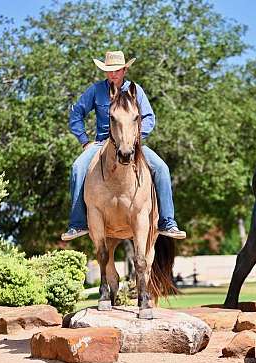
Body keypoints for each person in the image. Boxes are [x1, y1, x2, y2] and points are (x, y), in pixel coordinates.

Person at [61, 50, 186, 241]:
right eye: (109, 70)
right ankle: (78, 223)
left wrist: (135, 138)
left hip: (133, 144)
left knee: (161, 168)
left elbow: (149, 118)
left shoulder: (136, 91)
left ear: (124, 70)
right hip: (102, 143)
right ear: (105, 71)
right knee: (78, 168)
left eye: (117, 70)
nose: (113, 74)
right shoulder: (96, 90)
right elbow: (76, 114)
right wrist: (85, 141)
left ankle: (167, 222)